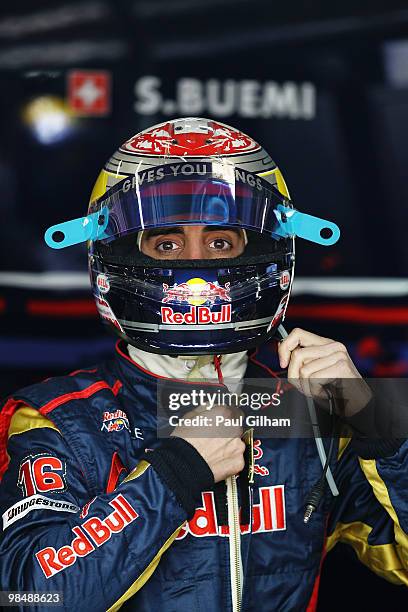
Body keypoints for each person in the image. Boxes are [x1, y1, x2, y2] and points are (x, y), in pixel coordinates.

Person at [0, 118, 406, 611]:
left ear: (264, 251)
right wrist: (176, 472)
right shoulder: (57, 419)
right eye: (167, 243)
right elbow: (28, 597)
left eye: (220, 242)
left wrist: (379, 424)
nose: (195, 270)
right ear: (115, 254)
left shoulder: (317, 412)